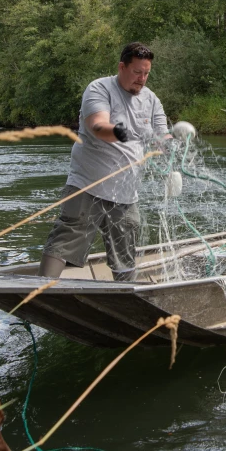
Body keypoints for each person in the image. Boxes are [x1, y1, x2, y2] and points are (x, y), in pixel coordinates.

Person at [40, 42, 168, 281]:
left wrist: (171, 143)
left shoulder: (151, 100)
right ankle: (40, 291)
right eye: (137, 72)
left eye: (146, 73)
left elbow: (162, 136)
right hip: (88, 185)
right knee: (64, 241)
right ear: (122, 67)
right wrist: (118, 132)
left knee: (125, 254)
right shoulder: (99, 88)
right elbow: (97, 126)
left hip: (126, 194)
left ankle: (125, 298)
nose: (142, 79)